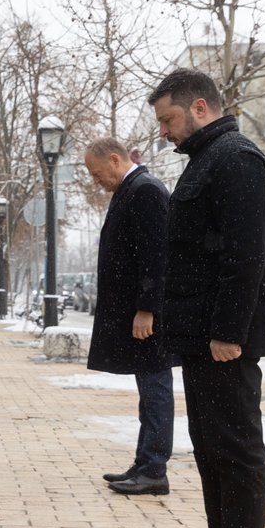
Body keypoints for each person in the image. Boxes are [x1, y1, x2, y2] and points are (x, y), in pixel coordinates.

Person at [149, 69, 265, 528]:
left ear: (199, 106)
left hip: (226, 337)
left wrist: (228, 331)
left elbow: (245, 254)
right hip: (202, 334)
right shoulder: (208, 159)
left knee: (236, 449)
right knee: (211, 448)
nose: (163, 131)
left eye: (168, 119)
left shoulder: (237, 159)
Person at [82, 138, 173, 496]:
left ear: (116, 160)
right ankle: (145, 462)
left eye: (97, 172)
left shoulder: (146, 190)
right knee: (148, 391)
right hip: (137, 310)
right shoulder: (132, 189)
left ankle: (154, 469)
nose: (95, 180)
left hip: (147, 314)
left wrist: (147, 308)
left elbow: (156, 255)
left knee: (155, 388)